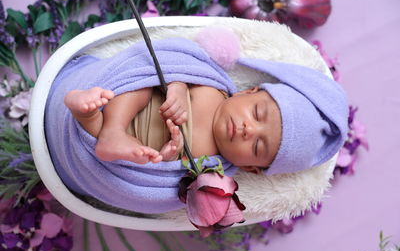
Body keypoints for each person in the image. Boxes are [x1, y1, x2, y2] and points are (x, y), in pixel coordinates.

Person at [64, 80, 282, 174]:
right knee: (141, 88)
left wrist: (168, 155)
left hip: (133, 146)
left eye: (257, 147)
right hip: (131, 104)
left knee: (97, 131)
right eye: (256, 114)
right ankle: (112, 129)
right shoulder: (213, 89)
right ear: (248, 91)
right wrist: (176, 88)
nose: (249, 130)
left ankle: (86, 113)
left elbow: (171, 175)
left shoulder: (210, 165)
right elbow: (176, 66)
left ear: (248, 167)